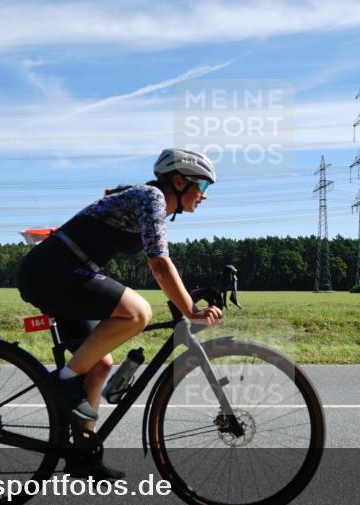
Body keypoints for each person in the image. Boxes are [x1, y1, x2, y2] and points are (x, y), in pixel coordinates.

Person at [17, 148, 224, 479]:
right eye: (203, 186)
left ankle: (83, 455)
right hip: (51, 273)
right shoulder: (152, 198)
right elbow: (159, 264)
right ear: (179, 181)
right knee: (138, 312)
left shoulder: (147, 200)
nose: (205, 195)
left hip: (61, 273)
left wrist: (188, 302)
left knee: (99, 364)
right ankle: (63, 384)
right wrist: (191, 310)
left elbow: (160, 263)